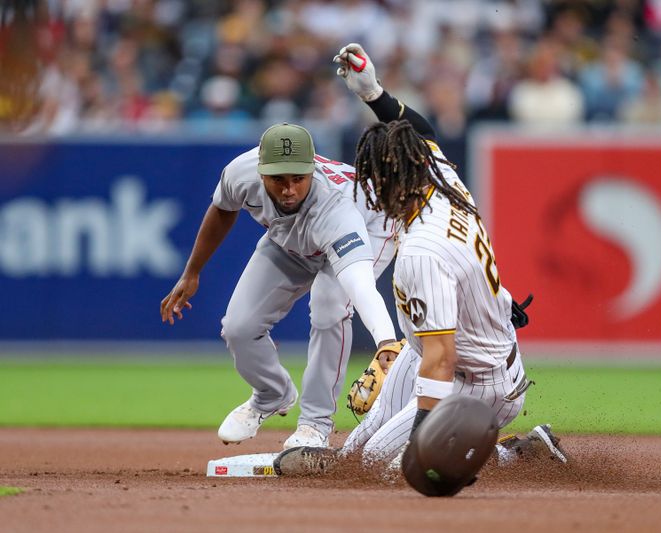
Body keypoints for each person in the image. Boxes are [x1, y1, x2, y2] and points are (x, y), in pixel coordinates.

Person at [275, 44, 566, 474]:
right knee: (353, 455)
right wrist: (373, 93)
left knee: (381, 469)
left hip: (479, 383)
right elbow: (420, 131)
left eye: (373, 180)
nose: (369, 192)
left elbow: (442, 360)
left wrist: (423, 441)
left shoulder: (422, 250)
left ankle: (511, 454)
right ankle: (469, 449)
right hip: (439, 346)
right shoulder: (438, 178)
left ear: (391, 183)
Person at [160, 121, 399, 449]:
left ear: (312, 170)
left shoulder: (338, 209)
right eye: (278, 179)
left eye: (298, 178)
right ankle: (272, 394)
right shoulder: (239, 172)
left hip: (370, 227)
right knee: (239, 328)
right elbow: (222, 209)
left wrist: (386, 339)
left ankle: (315, 425)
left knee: (330, 307)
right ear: (260, 172)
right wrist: (192, 272)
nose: (289, 189)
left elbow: (359, 284)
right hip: (291, 238)